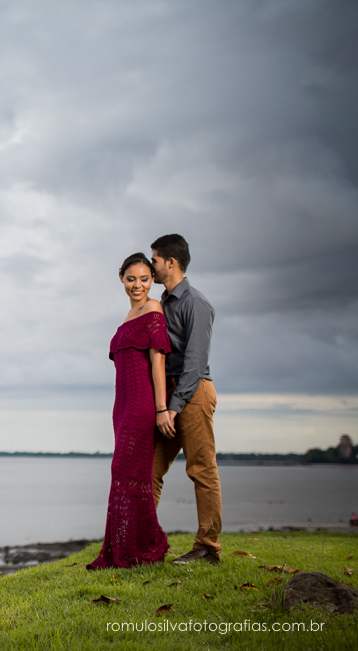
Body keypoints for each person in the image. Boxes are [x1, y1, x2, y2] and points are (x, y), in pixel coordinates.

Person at [87, 253, 171, 569]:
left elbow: (158, 361)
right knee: (128, 473)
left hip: (141, 403)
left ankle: (142, 545)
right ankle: (127, 546)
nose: (138, 285)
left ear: (152, 281)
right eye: (131, 278)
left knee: (123, 470)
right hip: (120, 405)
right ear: (121, 279)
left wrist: (161, 408)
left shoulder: (153, 308)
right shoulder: (127, 316)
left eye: (144, 279)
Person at [150, 234, 221, 565]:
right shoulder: (161, 303)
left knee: (201, 470)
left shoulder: (196, 303)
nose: (151, 266)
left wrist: (173, 408)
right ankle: (142, 542)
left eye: (154, 260)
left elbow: (194, 364)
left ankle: (208, 547)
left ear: (170, 262)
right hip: (168, 399)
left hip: (193, 394)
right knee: (149, 470)